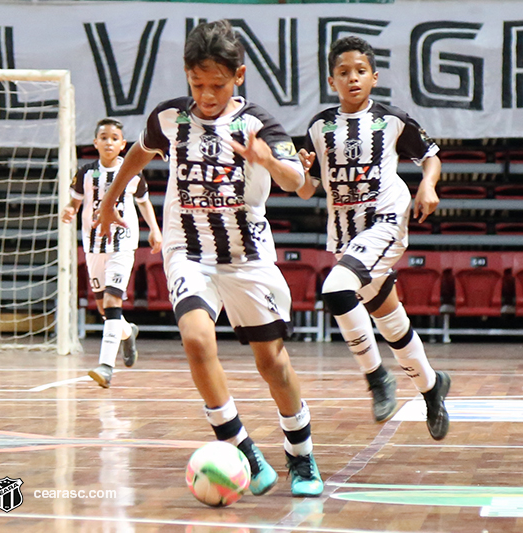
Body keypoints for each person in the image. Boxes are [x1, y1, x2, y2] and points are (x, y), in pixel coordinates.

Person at [95, 20, 323, 498]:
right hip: (189, 252)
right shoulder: (170, 118)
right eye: (197, 84)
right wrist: (111, 198)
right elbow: (139, 153)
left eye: (217, 85)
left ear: (238, 76)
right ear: (186, 77)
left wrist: (269, 161)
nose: (206, 94)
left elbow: (300, 185)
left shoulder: (259, 123)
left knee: (271, 364)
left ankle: (300, 455)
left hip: (247, 257)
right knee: (196, 340)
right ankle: (242, 448)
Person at [297, 36, 450, 440]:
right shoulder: (318, 127)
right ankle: (433, 386)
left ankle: (377, 378)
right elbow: (306, 189)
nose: (353, 78)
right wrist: (299, 172)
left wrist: (428, 186)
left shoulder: (392, 118)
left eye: (360, 71)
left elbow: (431, 154)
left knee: (335, 289)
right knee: (388, 318)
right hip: (346, 234)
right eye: (344, 73)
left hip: (385, 219)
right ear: (332, 80)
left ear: (374, 77)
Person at [61, 118, 163, 388]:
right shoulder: (85, 172)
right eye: (103, 137)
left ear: (122, 144)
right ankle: (128, 332)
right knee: (104, 309)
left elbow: (144, 203)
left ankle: (106, 366)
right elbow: (75, 200)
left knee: (111, 302)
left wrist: (154, 229)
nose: (108, 142)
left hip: (122, 244)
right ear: (95, 143)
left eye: (114, 137)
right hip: (93, 245)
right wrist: (70, 210)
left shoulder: (131, 173)